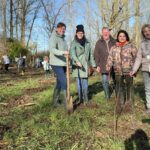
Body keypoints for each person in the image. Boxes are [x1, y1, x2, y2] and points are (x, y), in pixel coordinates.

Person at [106, 30, 137, 111]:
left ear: (126, 37)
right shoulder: (114, 47)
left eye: (123, 36)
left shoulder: (131, 46)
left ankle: (129, 104)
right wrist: (108, 66)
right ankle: (121, 104)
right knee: (119, 87)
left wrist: (134, 69)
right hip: (118, 70)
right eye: (120, 36)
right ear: (117, 37)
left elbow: (136, 58)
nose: (122, 38)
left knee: (129, 87)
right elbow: (110, 58)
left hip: (129, 71)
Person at [70, 25, 96, 105]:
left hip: (85, 65)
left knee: (85, 83)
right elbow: (72, 54)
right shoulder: (74, 43)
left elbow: (90, 55)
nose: (80, 34)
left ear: (83, 33)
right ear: (76, 33)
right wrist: (77, 61)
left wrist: (93, 64)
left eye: (81, 33)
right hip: (77, 66)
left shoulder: (87, 42)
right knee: (79, 84)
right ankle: (80, 99)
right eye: (79, 33)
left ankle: (86, 99)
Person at [130, 24, 150, 114]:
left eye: (148, 30)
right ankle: (149, 107)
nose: (147, 32)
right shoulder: (142, 44)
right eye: (145, 31)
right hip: (146, 68)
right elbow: (138, 58)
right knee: (147, 88)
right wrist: (134, 70)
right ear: (143, 33)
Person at [49, 22, 69, 107]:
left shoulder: (63, 39)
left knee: (59, 83)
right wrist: (63, 52)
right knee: (64, 82)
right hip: (56, 63)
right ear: (57, 28)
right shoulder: (53, 37)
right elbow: (52, 49)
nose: (62, 30)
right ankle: (65, 103)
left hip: (63, 64)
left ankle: (55, 102)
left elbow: (66, 51)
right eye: (61, 29)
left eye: (64, 29)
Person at [94, 27, 116, 100]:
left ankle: (117, 94)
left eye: (107, 32)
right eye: (104, 32)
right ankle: (107, 96)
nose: (105, 33)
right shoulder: (98, 42)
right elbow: (96, 55)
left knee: (116, 80)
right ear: (102, 33)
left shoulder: (114, 41)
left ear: (109, 33)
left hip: (114, 65)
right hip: (103, 65)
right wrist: (97, 65)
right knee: (104, 81)